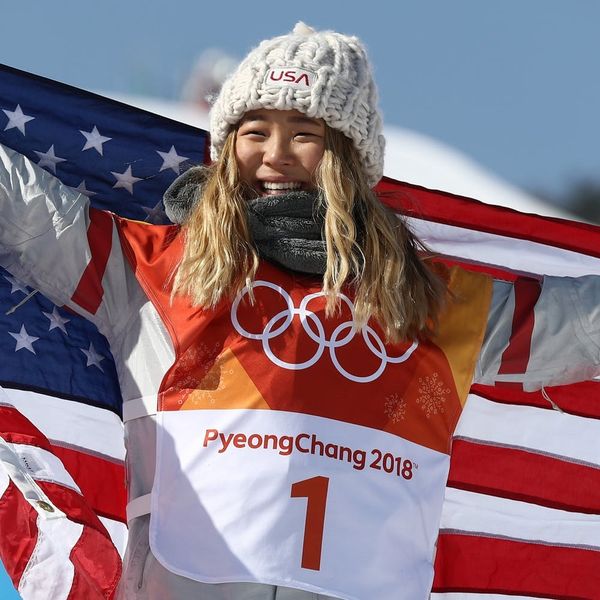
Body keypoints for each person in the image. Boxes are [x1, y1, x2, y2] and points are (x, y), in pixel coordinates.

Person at [1, 22, 599, 600]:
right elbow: (27, 214)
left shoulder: (428, 301)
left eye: (305, 133)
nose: (276, 154)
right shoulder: (156, 270)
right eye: (254, 130)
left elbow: (581, 327)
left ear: (348, 156)